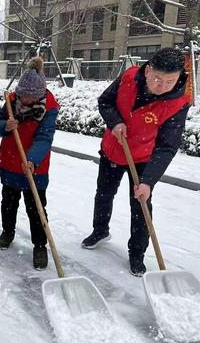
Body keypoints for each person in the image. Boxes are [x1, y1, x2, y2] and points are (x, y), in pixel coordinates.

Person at [81, 47, 191, 276]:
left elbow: (167, 146)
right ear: (148, 69)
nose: (162, 86)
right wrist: (116, 122)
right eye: (157, 79)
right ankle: (100, 231)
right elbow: (105, 102)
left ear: (179, 76)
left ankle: (137, 253)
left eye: (170, 81)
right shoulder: (129, 76)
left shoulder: (178, 103)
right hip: (113, 149)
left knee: (140, 205)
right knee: (104, 194)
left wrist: (148, 182)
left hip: (144, 158)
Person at [0, 57, 59, 270]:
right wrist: (6, 125)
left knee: (36, 208)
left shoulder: (49, 108)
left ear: (40, 93)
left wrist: (32, 159)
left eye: (31, 96)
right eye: (24, 95)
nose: (26, 100)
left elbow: (44, 138)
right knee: (8, 202)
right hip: (11, 160)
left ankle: (40, 245)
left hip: (35, 166)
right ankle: (8, 232)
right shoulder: (12, 101)